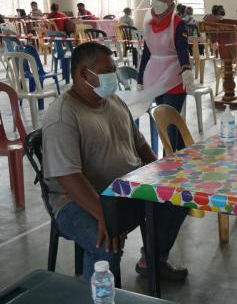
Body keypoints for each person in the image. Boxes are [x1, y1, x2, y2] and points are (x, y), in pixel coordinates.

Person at [42, 42, 189, 282]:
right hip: (75, 200)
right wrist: (103, 214)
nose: (112, 77)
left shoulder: (114, 101)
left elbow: (140, 144)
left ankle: (153, 261)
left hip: (125, 188)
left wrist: (164, 177)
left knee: (179, 197)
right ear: (82, 74)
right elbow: (67, 176)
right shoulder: (63, 116)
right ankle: (100, 296)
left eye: (113, 70)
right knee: (105, 245)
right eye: (106, 71)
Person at [138, 0, 194, 154]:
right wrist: (140, 79)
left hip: (174, 75)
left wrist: (186, 69)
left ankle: (168, 159)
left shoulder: (178, 23)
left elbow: (182, 48)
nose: (156, 1)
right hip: (154, 75)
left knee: (171, 122)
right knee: (162, 121)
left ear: (171, 0)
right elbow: (146, 52)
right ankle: (182, 158)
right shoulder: (148, 23)